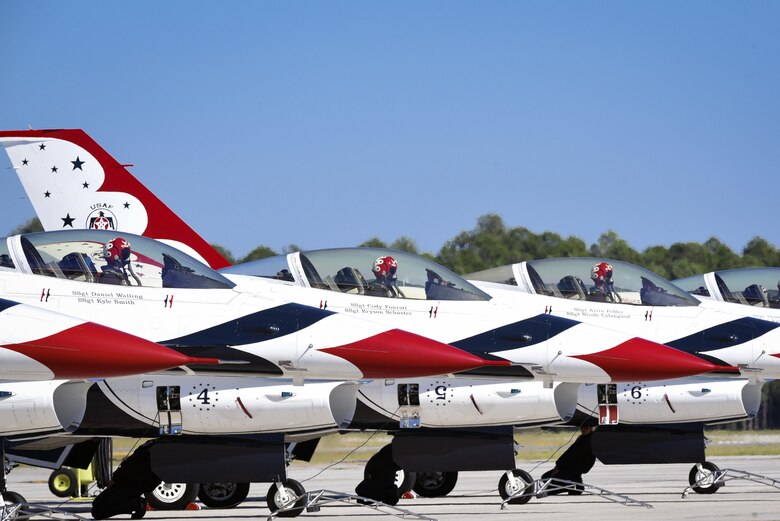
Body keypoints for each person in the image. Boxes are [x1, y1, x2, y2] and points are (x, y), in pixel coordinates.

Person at [92, 441, 161, 519]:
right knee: (96, 503)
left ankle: (135, 504)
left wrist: (116, 478)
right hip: (128, 480)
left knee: (97, 512)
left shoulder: (157, 447)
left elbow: (132, 465)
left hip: (131, 482)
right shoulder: (155, 445)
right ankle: (134, 502)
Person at [540, 425, 596, 495]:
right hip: (570, 467)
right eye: (581, 427)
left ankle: (576, 487)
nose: (583, 429)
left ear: (591, 428)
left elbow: (572, 455)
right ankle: (576, 483)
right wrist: (558, 465)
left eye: (586, 427)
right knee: (545, 477)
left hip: (573, 468)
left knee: (548, 482)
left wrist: (559, 466)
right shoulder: (583, 438)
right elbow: (570, 453)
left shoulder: (590, 440)